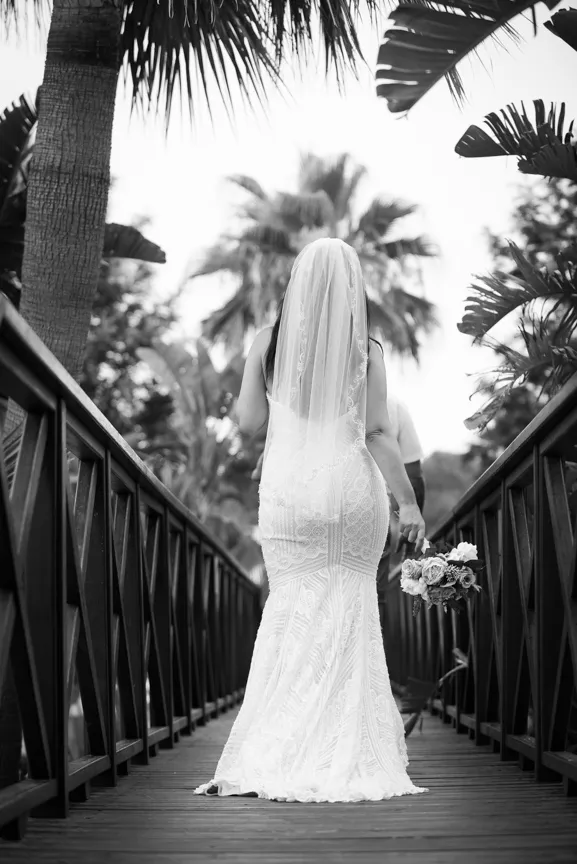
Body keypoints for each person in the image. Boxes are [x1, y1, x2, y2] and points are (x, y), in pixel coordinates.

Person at [194, 238, 427, 803]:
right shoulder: (366, 350)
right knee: (349, 603)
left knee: (290, 608)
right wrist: (410, 504)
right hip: (348, 495)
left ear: (297, 285)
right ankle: (341, 740)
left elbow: (246, 423)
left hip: (289, 497)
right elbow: (377, 434)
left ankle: (280, 743)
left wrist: (258, 369)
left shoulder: (268, 346)